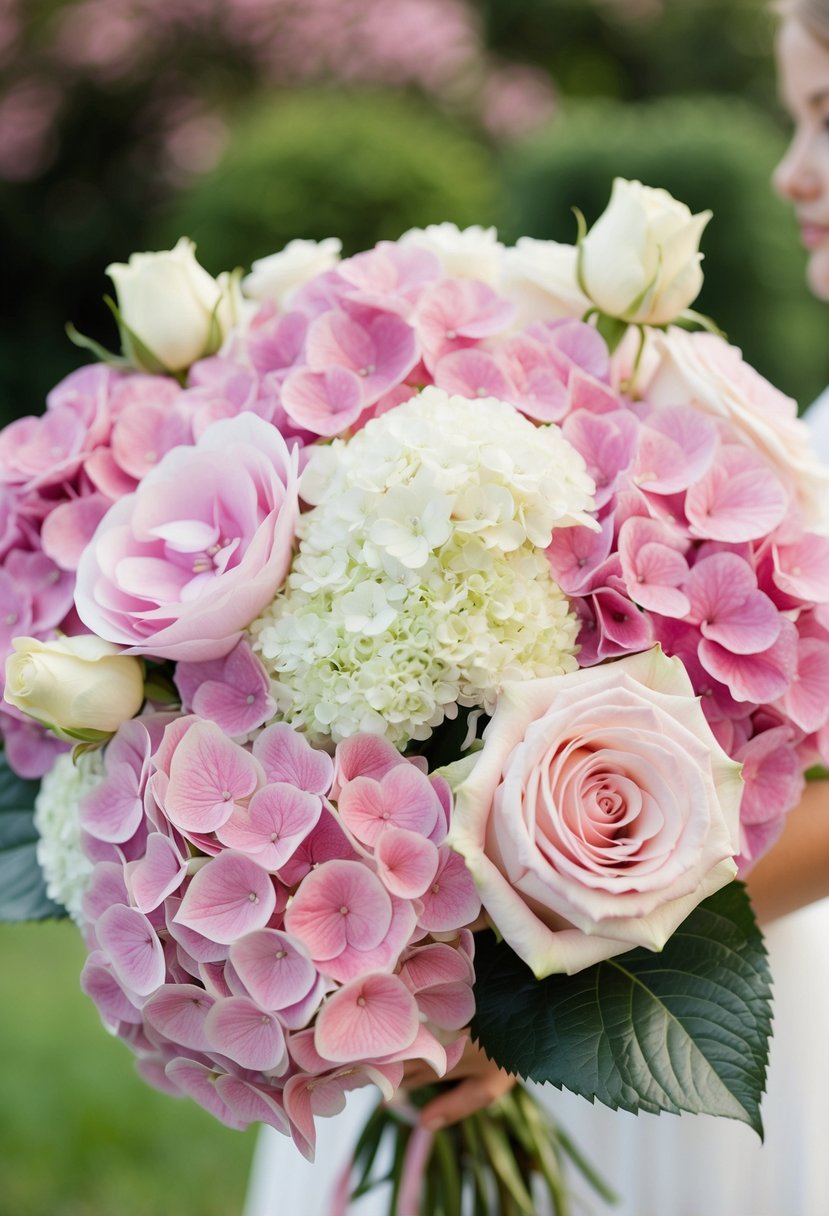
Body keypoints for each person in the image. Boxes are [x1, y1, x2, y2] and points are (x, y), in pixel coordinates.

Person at [244, 5, 829, 1210]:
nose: (790, 167)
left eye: (824, 115)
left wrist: (538, 985)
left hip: (653, 967)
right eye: (794, 114)